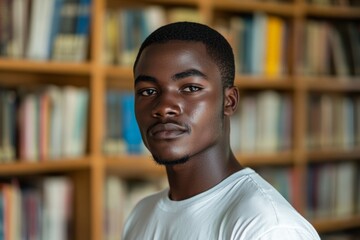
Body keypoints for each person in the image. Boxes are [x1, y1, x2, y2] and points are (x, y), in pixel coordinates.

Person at [122, 21, 320, 240]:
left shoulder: (268, 228)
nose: (163, 107)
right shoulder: (140, 214)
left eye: (190, 88)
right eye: (148, 91)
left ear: (229, 101)